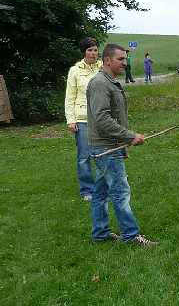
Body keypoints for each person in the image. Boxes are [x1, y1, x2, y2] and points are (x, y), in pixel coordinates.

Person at [86, 43, 157, 246]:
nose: (125, 63)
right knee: (120, 191)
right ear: (107, 60)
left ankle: (100, 233)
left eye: (125, 59)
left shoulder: (110, 82)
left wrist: (124, 142)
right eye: (120, 59)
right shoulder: (100, 83)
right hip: (106, 147)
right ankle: (131, 235)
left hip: (110, 145)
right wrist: (129, 136)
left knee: (101, 192)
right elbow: (102, 118)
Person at [64, 37, 103, 201]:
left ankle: (103, 187)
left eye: (95, 50)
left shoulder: (103, 68)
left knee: (103, 153)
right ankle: (87, 190)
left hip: (102, 117)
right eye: (89, 50)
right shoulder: (75, 71)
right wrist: (70, 120)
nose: (93, 53)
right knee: (84, 156)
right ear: (84, 52)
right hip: (82, 119)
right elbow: (69, 97)